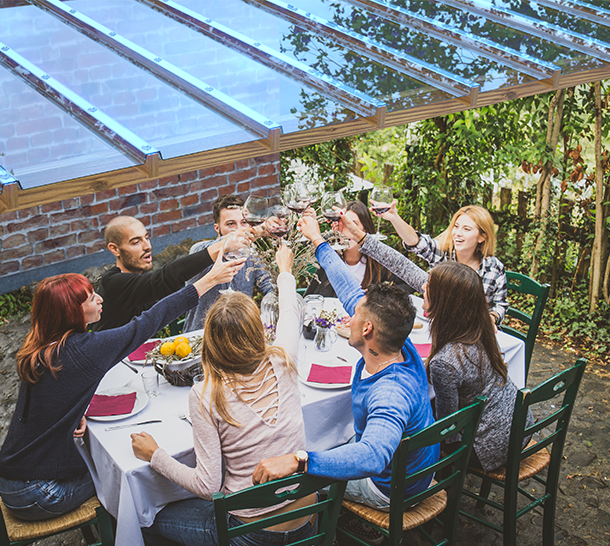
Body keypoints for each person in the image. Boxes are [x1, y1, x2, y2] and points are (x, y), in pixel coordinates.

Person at [0, 254, 243, 521]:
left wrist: (75, 412)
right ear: (71, 312)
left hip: (14, 478)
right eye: (91, 298)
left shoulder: (41, 347)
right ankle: (149, 529)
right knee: (131, 473)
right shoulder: (84, 351)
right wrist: (209, 280)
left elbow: (48, 400)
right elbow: (149, 321)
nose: (100, 299)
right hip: (40, 493)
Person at [130, 244, 314, 546]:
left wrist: (155, 455)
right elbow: (290, 312)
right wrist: (285, 271)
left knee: (146, 518)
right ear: (258, 331)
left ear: (210, 341)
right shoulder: (283, 360)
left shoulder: (207, 394)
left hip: (252, 533)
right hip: (308, 519)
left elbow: (207, 486)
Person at [253, 215, 438, 514]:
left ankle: (321, 528)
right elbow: (349, 290)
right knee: (323, 444)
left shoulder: (390, 393)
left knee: (295, 479)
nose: (349, 316)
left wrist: (298, 461)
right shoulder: (398, 340)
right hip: (412, 468)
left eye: (355, 315)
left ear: (367, 329)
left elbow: (372, 456)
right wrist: (318, 241)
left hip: (391, 488)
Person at [423, 261, 533, 471]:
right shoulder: (480, 329)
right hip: (520, 424)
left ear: (443, 300)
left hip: (491, 448)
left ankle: (440, 481)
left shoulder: (445, 361)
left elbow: (448, 428)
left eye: (428, 284)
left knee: (414, 425)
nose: (422, 287)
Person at [367, 202, 507, 325]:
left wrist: (492, 318)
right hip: (441, 326)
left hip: (476, 331)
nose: (458, 233)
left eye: (466, 229)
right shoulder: (443, 253)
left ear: (482, 237)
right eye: (456, 226)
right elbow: (415, 241)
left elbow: (500, 305)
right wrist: (394, 218)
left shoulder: (493, 267)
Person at [93, 215, 231, 331]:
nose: (148, 246)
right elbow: (165, 278)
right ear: (115, 249)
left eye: (147, 238)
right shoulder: (113, 283)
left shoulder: (141, 278)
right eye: (136, 242)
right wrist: (219, 248)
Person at [184, 194, 274, 331]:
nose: (239, 229)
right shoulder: (199, 251)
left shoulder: (252, 254)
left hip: (239, 335)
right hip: (200, 336)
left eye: (244, 222)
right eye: (231, 224)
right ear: (217, 228)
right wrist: (232, 240)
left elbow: (269, 286)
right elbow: (201, 251)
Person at [305, 200, 412, 298]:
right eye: (344, 223)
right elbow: (308, 242)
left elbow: (409, 283)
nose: (347, 229)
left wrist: (378, 295)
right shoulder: (329, 248)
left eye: (353, 224)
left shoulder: (377, 260)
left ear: (365, 230)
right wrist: (310, 220)